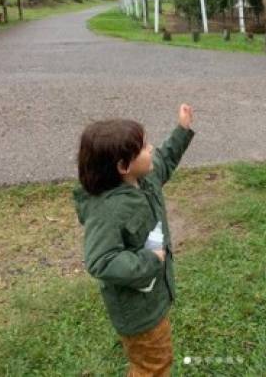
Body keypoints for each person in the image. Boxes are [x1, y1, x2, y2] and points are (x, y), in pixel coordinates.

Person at [74, 104, 195, 376]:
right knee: (153, 365)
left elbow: (165, 158)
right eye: (143, 147)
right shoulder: (108, 210)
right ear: (123, 165)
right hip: (138, 311)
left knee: (154, 358)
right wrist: (149, 259)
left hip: (153, 296)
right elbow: (100, 261)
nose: (150, 149)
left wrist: (182, 130)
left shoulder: (144, 178)